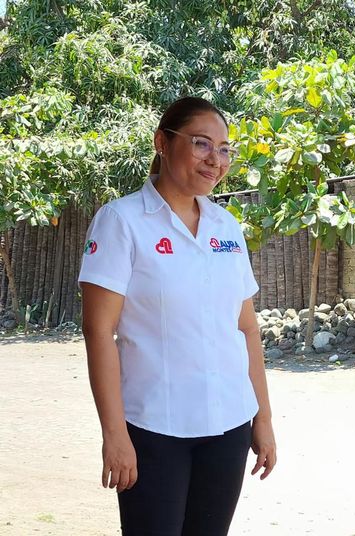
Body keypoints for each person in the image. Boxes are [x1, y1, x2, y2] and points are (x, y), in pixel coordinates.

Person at [79, 96, 276, 535]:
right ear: (162, 143)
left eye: (225, 148)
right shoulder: (122, 221)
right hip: (154, 429)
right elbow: (98, 331)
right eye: (202, 144)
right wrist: (115, 434)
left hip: (228, 425)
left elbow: (245, 329)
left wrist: (262, 420)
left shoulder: (226, 227)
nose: (216, 159)